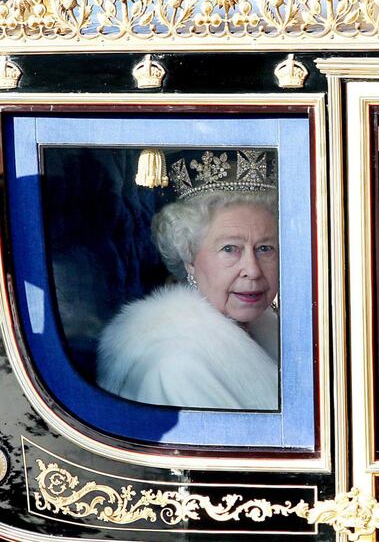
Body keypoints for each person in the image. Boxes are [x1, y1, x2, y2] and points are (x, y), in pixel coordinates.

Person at [96, 149, 279, 410]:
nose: (253, 269)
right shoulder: (175, 368)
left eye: (265, 249)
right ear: (189, 257)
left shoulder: (268, 333)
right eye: (230, 249)